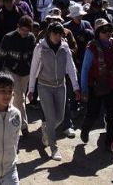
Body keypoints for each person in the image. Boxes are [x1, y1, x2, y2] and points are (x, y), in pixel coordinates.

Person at [28, 22, 80, 161]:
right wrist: (31, 89)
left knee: (60, 118)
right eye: (55, 34)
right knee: (51, 118)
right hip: (44, 86)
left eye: (60, 34)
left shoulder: (65, 47)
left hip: (61, 86)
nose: (57, 37)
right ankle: (54, 148)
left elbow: (71, 67)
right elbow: (33, 68)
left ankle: (47, 130)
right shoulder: (40, 48)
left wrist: (76, 87)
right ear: (49, 33)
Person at [80, 18, 113, 148]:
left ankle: (109, 142)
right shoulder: (92, 47)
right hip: (96, 86)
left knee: (112, 114)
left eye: (109, 30)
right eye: (104, 31)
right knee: (93, 112)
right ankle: (85, 129)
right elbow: (85, 69)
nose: (108, 33)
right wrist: (84, 89)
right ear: (98, 33)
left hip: (112, 85)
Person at [0, 16, 36, 137]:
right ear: (18, 27)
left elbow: (33, 57)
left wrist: (34, 71)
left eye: (27, 30)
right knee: (20, 96)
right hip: (11, 70)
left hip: (26, 71)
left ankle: (9, 119)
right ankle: (24, 126)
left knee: (19, 99)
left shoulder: (31, 38)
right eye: (22, 30)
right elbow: (1, 56)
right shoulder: (8, 38)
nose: (24, 33)